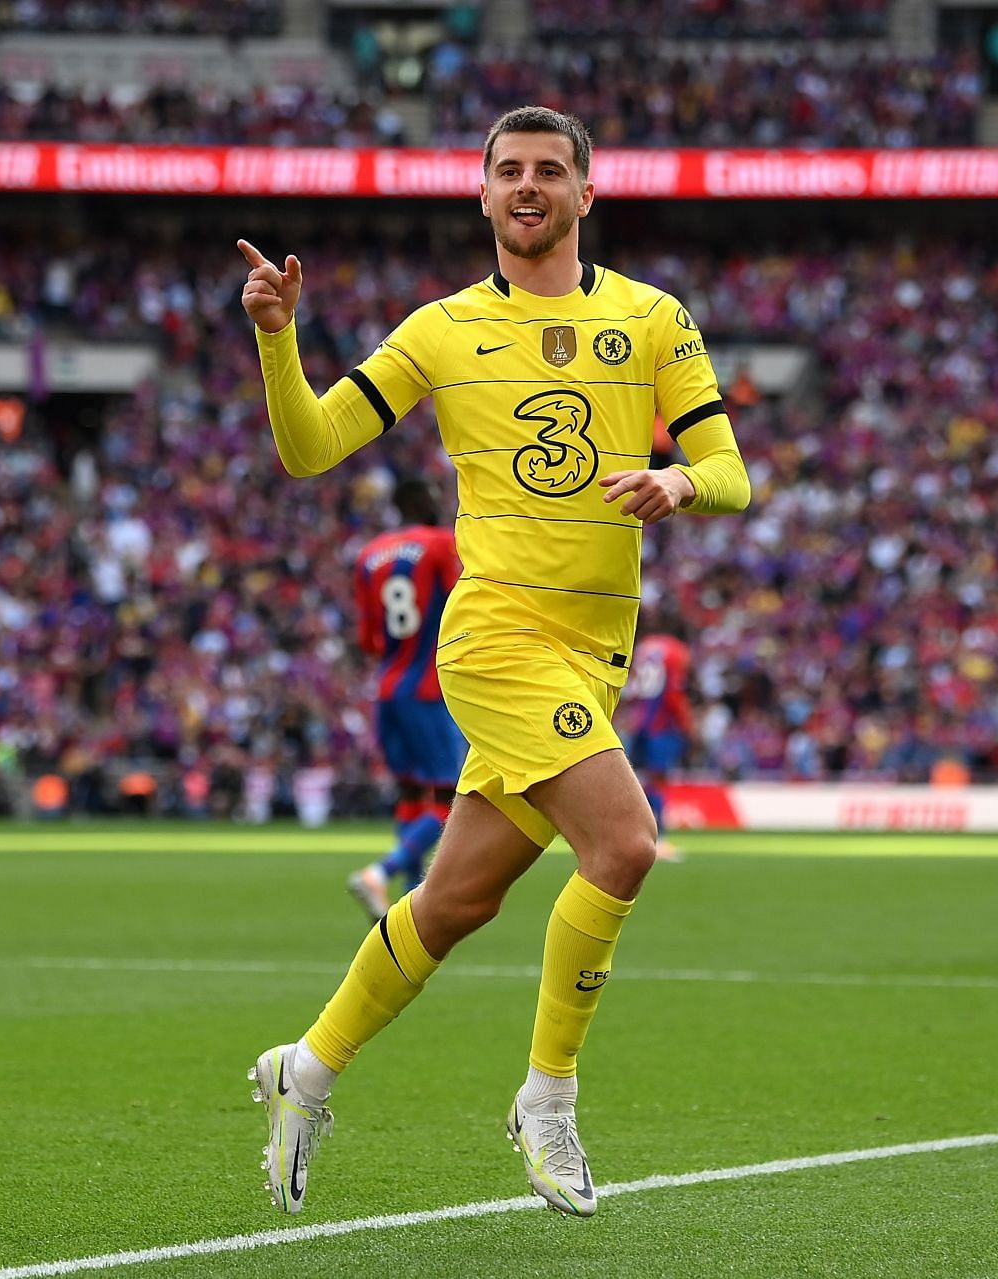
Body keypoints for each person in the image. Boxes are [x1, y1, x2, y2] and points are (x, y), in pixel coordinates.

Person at [237, 104, 749, 1218]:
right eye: (508, 170)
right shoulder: (440, 329)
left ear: (584, 192)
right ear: (481, 195)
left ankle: (305, 1067)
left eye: (549, 171)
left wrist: (679, 482)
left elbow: (732, 468)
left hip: (594, 650)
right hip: (497, 635)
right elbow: (309, 446)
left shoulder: (654, 318)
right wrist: (279, 339)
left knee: (456, 899)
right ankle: (548, 1100)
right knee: (624, 844)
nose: (528, 186)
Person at [346, 478, 469, 921]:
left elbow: (367, 639)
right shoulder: (440, 544)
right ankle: (383, 872)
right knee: (448, 800)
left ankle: (411, 898)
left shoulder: (368, 555)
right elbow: (463, 601)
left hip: (388, 689)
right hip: (429, 690)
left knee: (411, 793)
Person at [618, 623, 693, 862]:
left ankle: (633, 833)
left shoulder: (644, 647)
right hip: (661, 725)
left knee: (639, 779)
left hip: (639, 721)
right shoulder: (677, 651)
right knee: (658, 781)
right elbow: (673, 692)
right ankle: (658, 839)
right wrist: (686, 722)